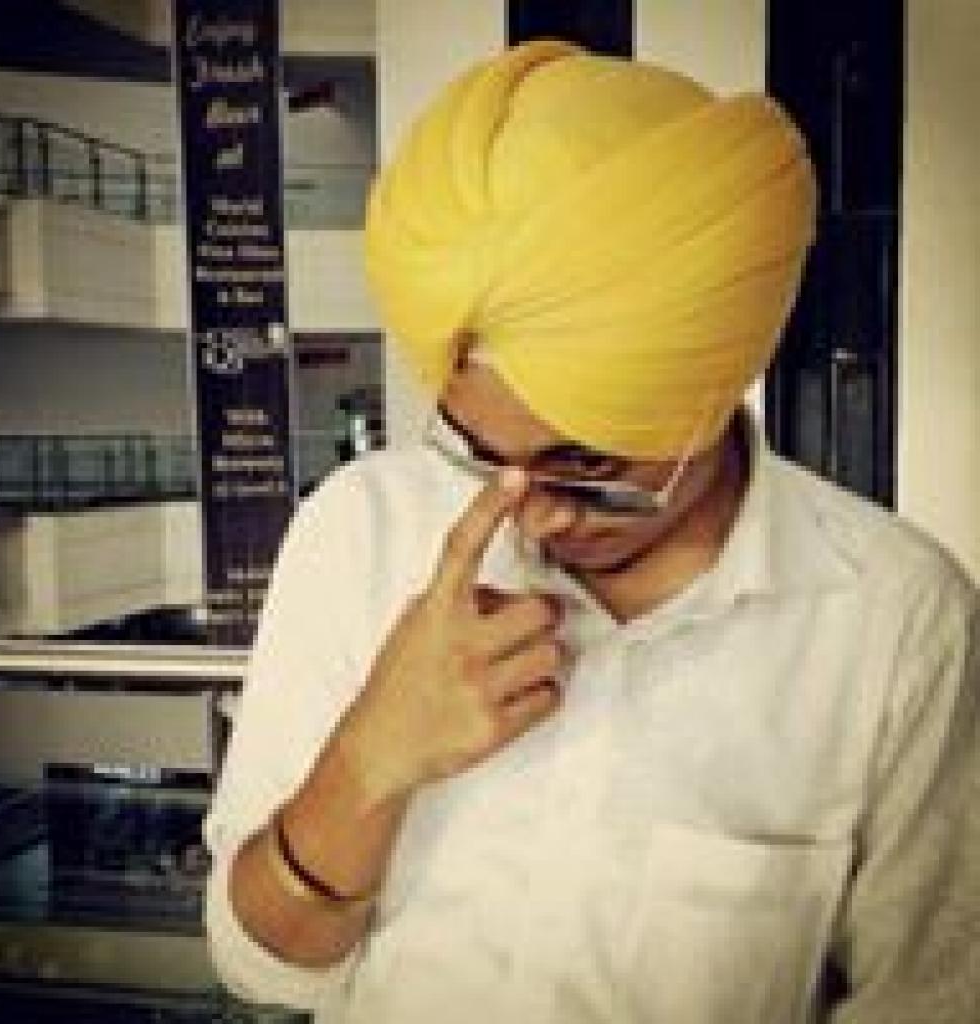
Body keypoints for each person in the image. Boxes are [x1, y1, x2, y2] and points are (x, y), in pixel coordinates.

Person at [203, 40, 980, 1023]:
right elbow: (259, 968)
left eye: (591, 465)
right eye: (479, 452)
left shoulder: (895, 621)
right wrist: (370, 759)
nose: (533, 511)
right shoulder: (361, 532)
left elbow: (927, 999)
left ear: (712, 387)